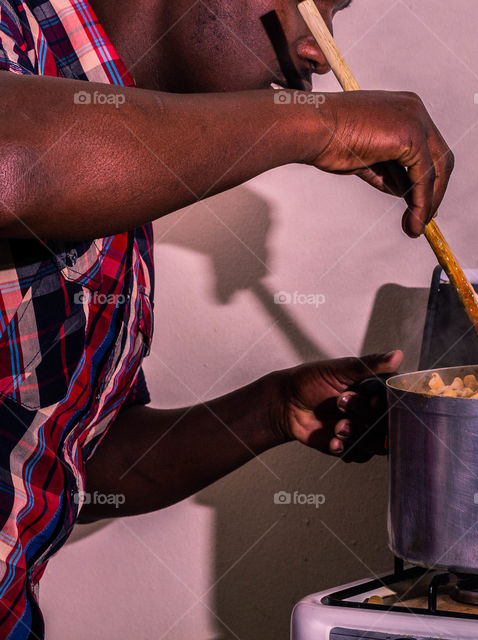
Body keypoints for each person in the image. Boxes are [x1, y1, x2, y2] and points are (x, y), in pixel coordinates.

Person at [0, 0, 454, 634]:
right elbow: (9, 167)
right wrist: (313, 123)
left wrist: (271, 410)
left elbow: (77, 457)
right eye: (321, 3)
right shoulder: (13, 27)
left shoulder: (120, 174)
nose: (321, 52)